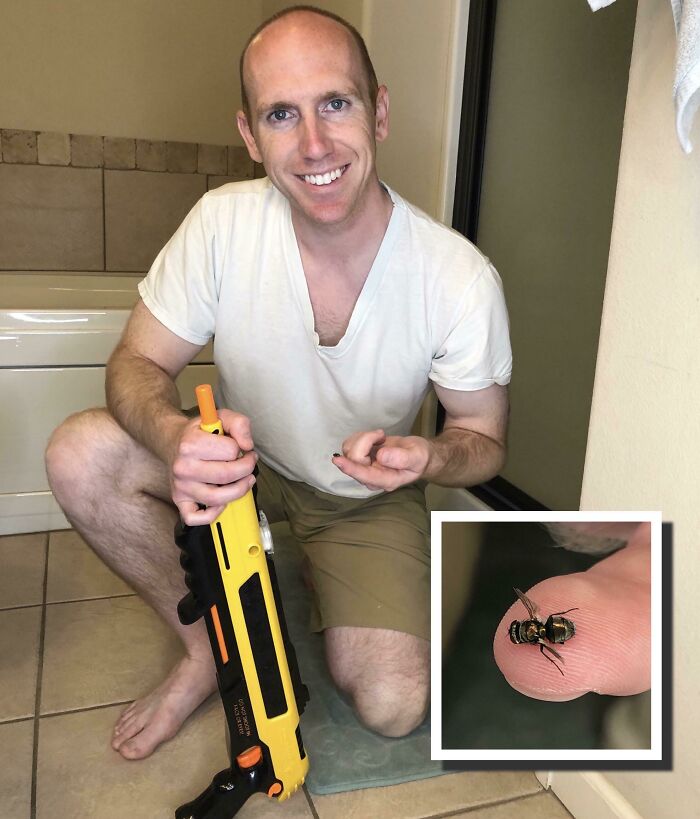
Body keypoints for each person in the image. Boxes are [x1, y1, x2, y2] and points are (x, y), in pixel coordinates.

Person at [45, 5, 511, 761]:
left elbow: (483, 439)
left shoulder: (457, 277)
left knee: (395, 704)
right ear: (250, 135)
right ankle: (204, 651)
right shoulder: (220, 224)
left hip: (361, 498)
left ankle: (326, 571)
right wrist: (174, 435)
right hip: (240, 471)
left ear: (379, 111)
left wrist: (429, 456)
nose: (314, 144)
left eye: (336, 103)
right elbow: (135, 362)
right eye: (281, 114)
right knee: (79, 453)